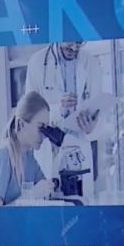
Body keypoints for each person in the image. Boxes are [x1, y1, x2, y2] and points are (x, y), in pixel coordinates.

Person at [24, 42, 105, 199]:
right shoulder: (37, 62)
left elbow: (97, 106)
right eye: (70, 43)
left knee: (81, 201)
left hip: (79, 145)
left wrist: (92, 124)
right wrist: (57, 109)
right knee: (51, 199)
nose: (74, 48)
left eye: (79, 43)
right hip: (49, 144)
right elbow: (29, 110)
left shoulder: (90, 62)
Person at [0, 91, 54, 206]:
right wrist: (31, 195)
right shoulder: (3, 156)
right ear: (21, 124)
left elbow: (46, 190)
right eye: (40, 127)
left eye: (46, 128)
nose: (44, 135)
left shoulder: (29, 158)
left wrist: (56, 154)